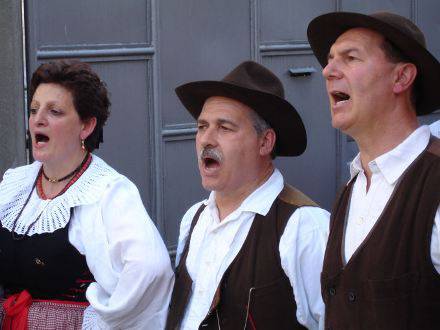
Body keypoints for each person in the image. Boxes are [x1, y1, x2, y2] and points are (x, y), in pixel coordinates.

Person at [0, 60, 174, 329]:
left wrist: (96, 321)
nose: (38, 119)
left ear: (86, 126)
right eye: (34, 109)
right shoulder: (16, 184)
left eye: (54, 111)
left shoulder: (107, 191)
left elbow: (152, 271)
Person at [165, 61, 330, 329]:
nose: (207, 139)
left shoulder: (305, 226)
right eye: (202, 126)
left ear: (265, 142)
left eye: (225, 127)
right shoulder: (194, 218)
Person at [307, 11, 440, 329]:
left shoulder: (434, 184)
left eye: (350, 58)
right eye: (329, 60)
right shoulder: (350, 191)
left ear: (401, 78)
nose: (327, 71)